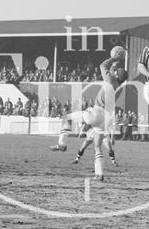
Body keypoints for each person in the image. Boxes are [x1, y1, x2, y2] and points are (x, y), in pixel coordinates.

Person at [51, 48, 128, 181]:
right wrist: (115, 66)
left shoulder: (110, 80)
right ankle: (99, 174)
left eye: (115, 71)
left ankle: (62, 144)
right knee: (97, 147)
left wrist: (115, 59)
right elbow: (113, 72)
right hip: (106, 118)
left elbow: (103, 66)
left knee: (67, 118)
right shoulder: (119, 87)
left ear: (115, 75)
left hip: (96, 112)